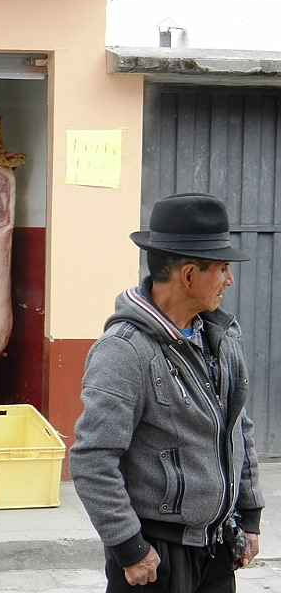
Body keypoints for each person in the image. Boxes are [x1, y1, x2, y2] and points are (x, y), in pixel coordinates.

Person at [69, 193, 265, 592]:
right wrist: (129, 547)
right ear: (189, 275)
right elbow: (92, 459)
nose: (229, 280)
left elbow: (238, 430)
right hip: (155, 558)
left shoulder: (222, 337)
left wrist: (248, 515)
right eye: (223, 269)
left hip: (216, 548)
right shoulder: (124, 350)